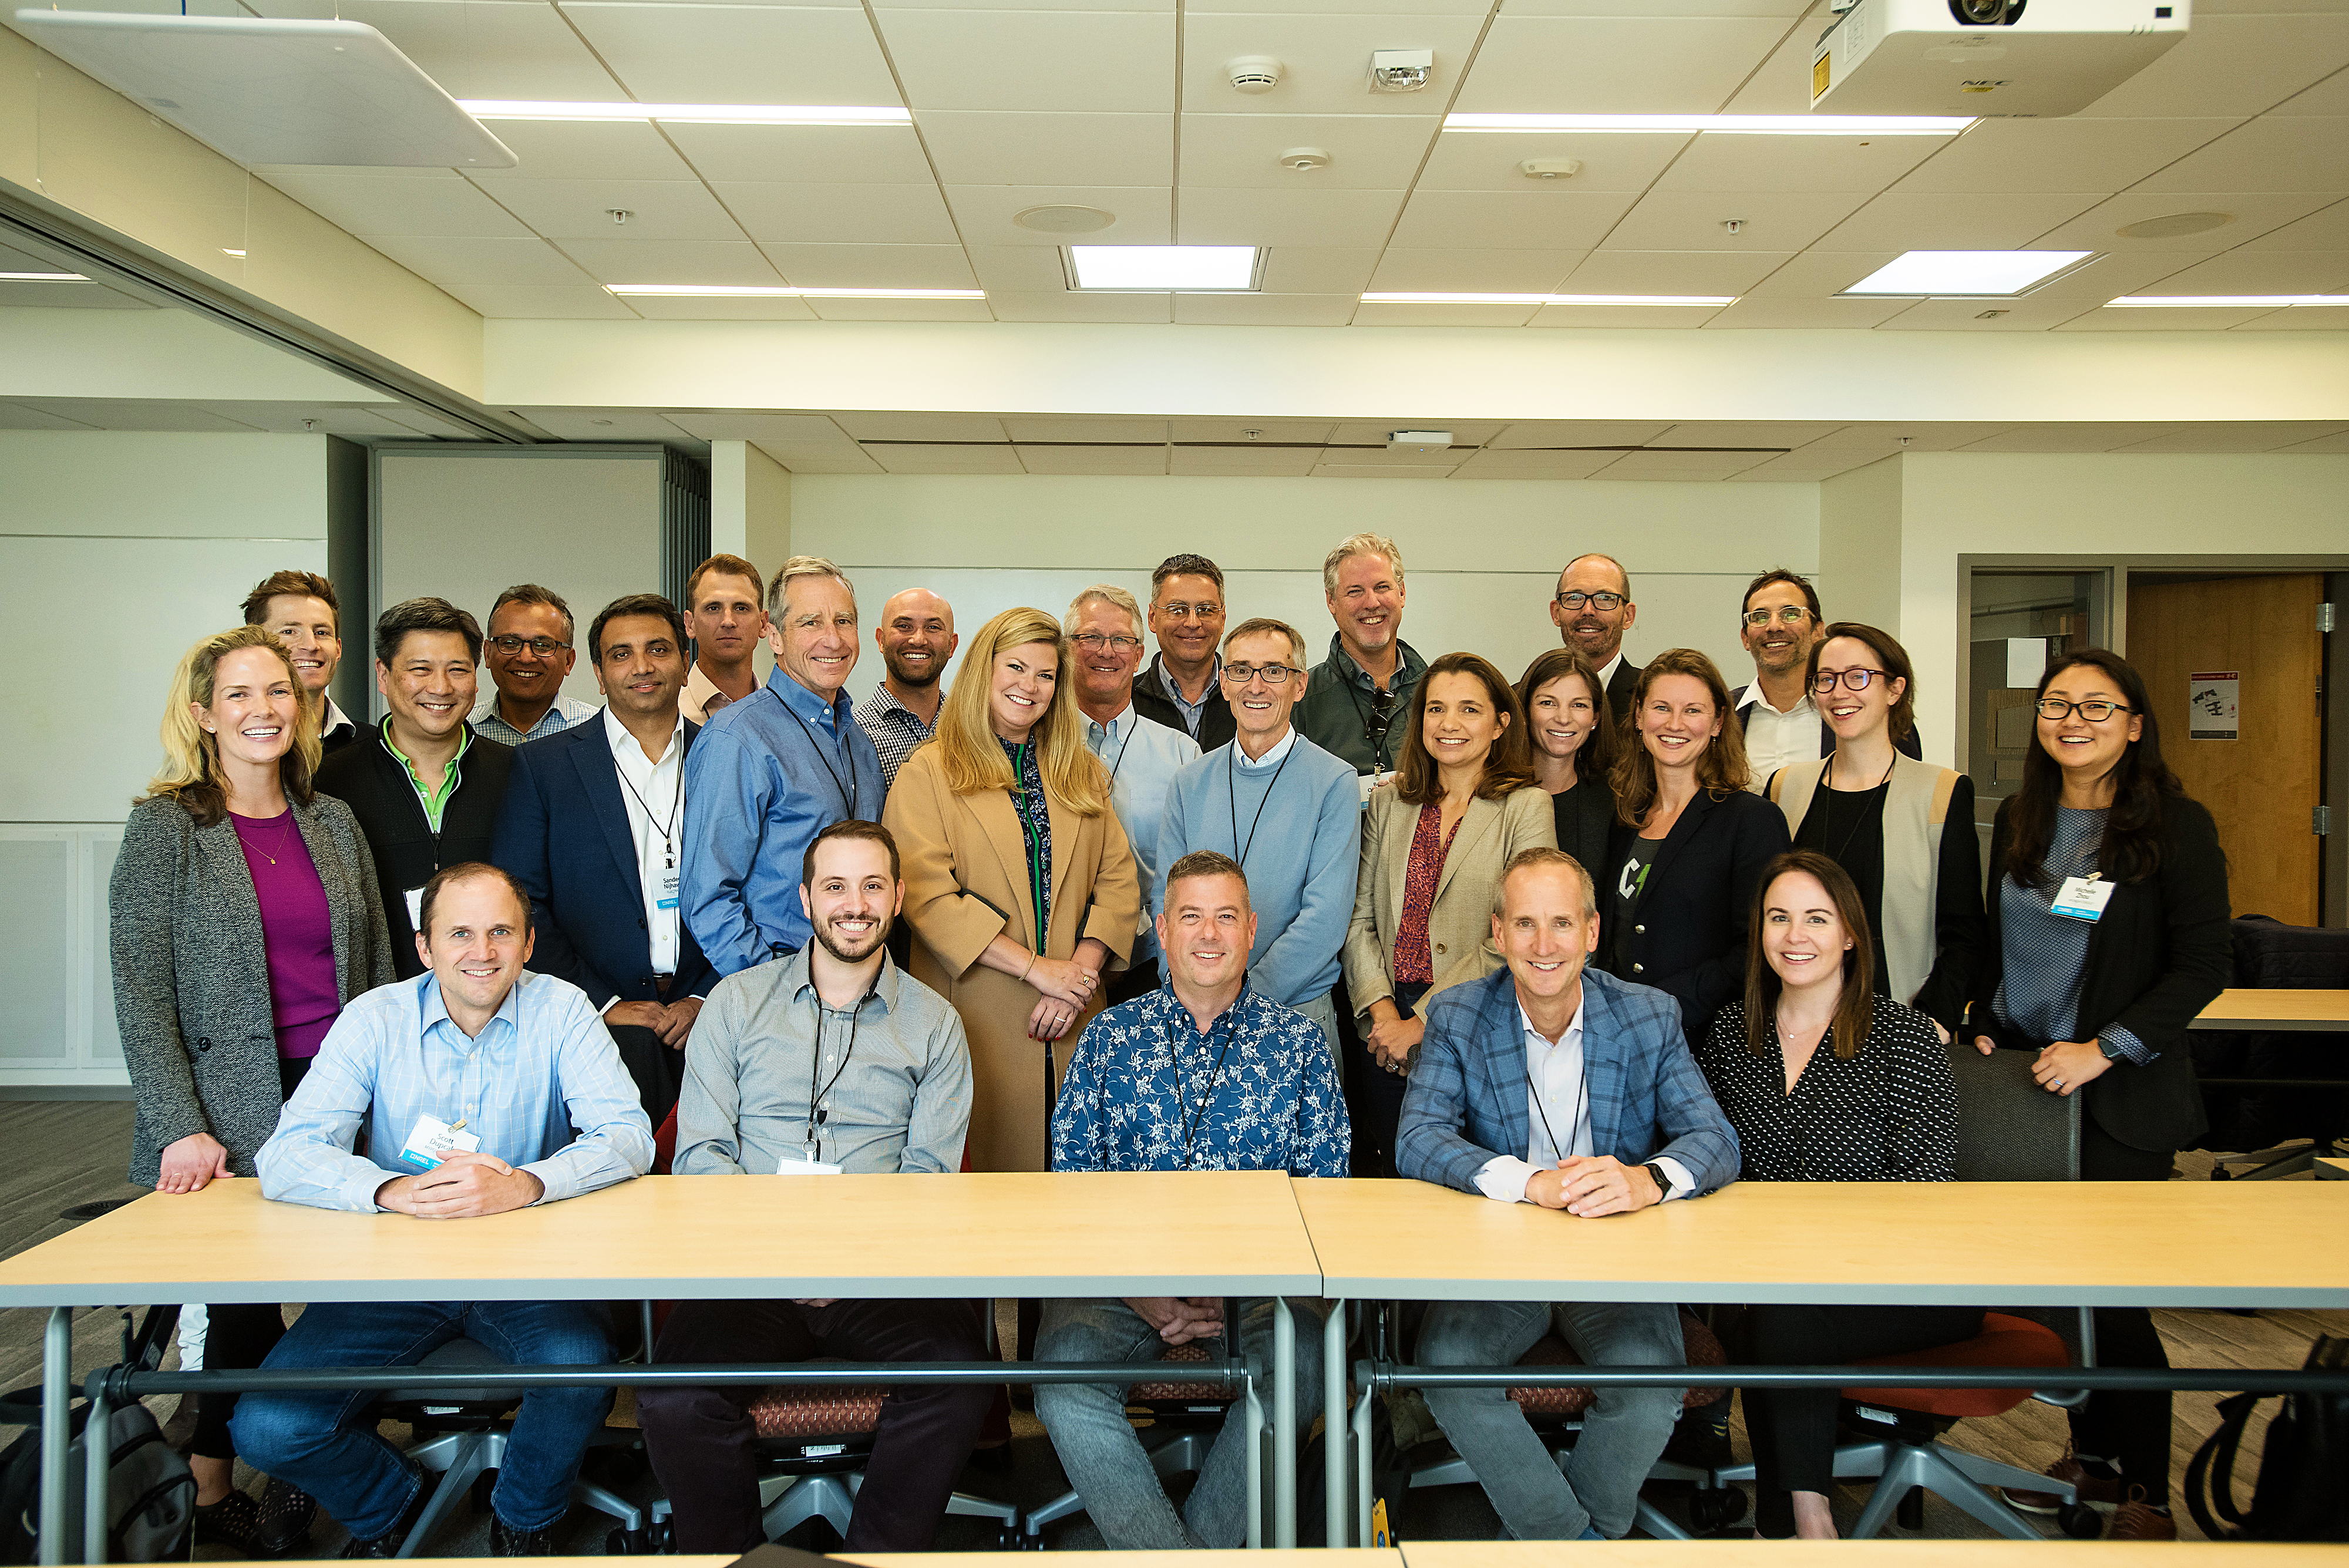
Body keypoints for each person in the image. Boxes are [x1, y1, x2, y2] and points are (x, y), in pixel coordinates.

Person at [233, 863, 654, 1558]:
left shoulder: (563, 1009)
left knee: (579, 1369)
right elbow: (286, 1155)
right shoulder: (375, 1018)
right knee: (268, 1427)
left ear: (528, 943)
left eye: (500, 932)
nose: (481, 952)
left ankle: (524, 1517)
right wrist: (387, 1190)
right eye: (459, 933)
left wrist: (528, 1184)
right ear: (425, 947)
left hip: (529, 1269)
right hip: (396, 1268)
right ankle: (394, 1500)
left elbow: (627, 1137)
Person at [109, 624, 396, 1554]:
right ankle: (212, 1487)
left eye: (278, 691)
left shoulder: (331, 819)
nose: (264, 710)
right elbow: (141, 989)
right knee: (239, 1308)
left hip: (337, 1089)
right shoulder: (168, 828)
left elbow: (377, 969)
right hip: (226, 1103)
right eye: (239, 694)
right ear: (202, 713)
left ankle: (315, 1467)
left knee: (349, 1295)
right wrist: (178, 1124)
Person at [640, 820, 988, 1553]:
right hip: (750, 1273)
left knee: (958, 1384)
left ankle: (873, 1559)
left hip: (881, 1277)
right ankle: (736, 1562)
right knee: (674, 1396)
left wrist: (850, 1261)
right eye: (835, 887)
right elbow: (700, 1158)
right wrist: (780, 1256)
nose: (853, 905)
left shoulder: (936, 1024)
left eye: (871, 886)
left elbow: (929, 1181)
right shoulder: (735, 1004)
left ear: (897, 897)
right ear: (805, 899)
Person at [1398, 848, 1739, 1543]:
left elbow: (1715, 1139)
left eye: (1561, 924)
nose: (1544, 945)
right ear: (1498, 933)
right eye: (1525, 924)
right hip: (1498, 1264)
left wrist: (1646, 1181)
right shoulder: (1459, 1014)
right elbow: (1417, 1137)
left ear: (1591, 930)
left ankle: (1548, 1543)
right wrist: (1530, 1183)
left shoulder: (1647, 1016)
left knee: (1649, 1386)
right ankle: (1578, 1546)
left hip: (1612, 1260)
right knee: (1448, 1366)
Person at [1969, 650, 2231, 1544]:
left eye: (2095, 706)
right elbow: (2000, 944)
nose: (2072, 720)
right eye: (2056, 704)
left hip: (2120, 1094)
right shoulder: (2022, 816)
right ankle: (2090, 1456)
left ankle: (2146, 1490)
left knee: (2113, 1298)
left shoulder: (2175, 825)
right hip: (2027, 1084)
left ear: (2134, 724)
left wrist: (2105, 1049)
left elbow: (2204, 964)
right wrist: (1980, 1019)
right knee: (2053, 1288)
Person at [1038, 851, 1349, 1548]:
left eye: (1226, 917)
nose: (1209, 935)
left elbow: (1325, 1198)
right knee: (1062, 1382)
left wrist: (1238, 1281)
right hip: (1121, 1283)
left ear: (1251, 929)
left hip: (1261, 1286)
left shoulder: (1300, 1045)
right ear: (1162, 930)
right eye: (1190, 917)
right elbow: (1072, 1186)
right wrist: (1139, 1285)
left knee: (1304, 1367)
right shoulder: (1109, 1038)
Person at [1697, 850, 1966, 1540]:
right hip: (1767, 1282)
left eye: (1816, 919)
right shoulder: (1731, 1034)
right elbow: (1700, 1154)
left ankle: (1799, 1520)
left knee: (1778, 1317)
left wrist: (1822, 1261)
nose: (1795, 936)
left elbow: (1926, 1186)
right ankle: (1799, 1520)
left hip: (1905, 1285)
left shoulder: (1903, 1038)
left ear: (1850, 933)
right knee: (1776, 1311)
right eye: (1778, 917)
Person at [881, 606, 1141, 1173]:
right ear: (985, 670)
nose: (1031, 686)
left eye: (1046, 675)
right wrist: (1037, 970)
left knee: (1077, 1179)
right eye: (1017, 668)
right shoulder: (930, 771)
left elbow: (1120, 885)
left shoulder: (1081, 771)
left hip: (1075, 1013)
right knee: (987, 1187)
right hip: (977, 1013)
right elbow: (927, 897)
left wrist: (1077, 978)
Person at [491, 593, 719, 1123]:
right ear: (597, 673)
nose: (642, 667)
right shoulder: (544, 767)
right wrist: (604, 1003)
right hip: (594, 1026)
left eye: (658, 649)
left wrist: (707, 998)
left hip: (712, 1021)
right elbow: (521, 903)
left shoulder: (728, 754)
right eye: (621, 654)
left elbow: (754, 889)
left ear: (685, 662)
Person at [1344, 652, 1555, 1174]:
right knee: (1396, 1178)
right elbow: (1360, 919)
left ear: (1500, 724)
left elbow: (1523, 930)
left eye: (1469, 710)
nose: (1449, 724)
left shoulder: (1527, 807)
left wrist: (1422, 1021)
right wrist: (1384, 1013)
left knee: (1477, 1181)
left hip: (1480, 1023)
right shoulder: (1389, 803)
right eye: (1436, 709)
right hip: (1384, 1031)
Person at [1766, 624, 1983, 1036]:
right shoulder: (1785, 787)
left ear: (1895, 689)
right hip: (1794, 1020)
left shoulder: (1942, 792)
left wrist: (1934, 1018)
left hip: (1899, 1023)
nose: (1839, 692)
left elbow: (1965, 934)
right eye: (1826, 679)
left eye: (1858, 677)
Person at [1160, 617, 1358, 1062]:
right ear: (1224, 683)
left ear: (1300, 685)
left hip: (1296, 1015)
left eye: (1274, 670)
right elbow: (1165, 903)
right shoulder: (1188, 782)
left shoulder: (1334, 782)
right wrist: (1190, 995)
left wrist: (1237, 1001)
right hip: (1191, 1014)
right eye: (1241, 670)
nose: (1256, 685)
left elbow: (1324, 921)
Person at [681, 555, 885, 976]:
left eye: (844, 621)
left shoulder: (860, 742)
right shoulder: (737, 738)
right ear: (774, 636)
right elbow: (707, 897)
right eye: (811, 623)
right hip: (780, 986)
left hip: (862, 981)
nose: (833, 640)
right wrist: (772, 989)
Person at [315, 597, 517, 980]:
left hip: (496, 992)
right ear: (383, 675)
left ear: (476, 679)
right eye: (420, 669)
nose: (440, 687)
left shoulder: (519, 775)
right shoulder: (328, 782)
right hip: (376, 998)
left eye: (457, 670)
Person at [1600, 648, 1791, 1048]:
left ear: (1718, 722)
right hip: (1618, 1036)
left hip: (1707, 1042)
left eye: (1693, 711)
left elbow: (1758, 948)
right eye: (1661, 708)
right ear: (1639, 717)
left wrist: (1661, 1007)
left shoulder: (1752, 820)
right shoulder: (1624, 818)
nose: (1675, 724)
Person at [1066, 585, 1200, 1004]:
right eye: (1091, 637)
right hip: (1055, 963)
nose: (1106, 651)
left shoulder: (1182, 755)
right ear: (1068, 649)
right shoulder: (1034, 748)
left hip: (1152, 965)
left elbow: (1193, 871)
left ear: (1139, 654)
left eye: (1121, 640)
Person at [1732, 570, 1918, 778]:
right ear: (1745, 638)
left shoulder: (1875, 718)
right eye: (1760, 617)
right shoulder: (1720, 715)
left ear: (1818, 631)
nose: (1774, 626)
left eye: (1791, 614)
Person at [1292, 532, 1427, 784]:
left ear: (1402, 593)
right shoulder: (1300, 700)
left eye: (1382, 587)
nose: (1372, 603)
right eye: (1355, 591)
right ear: (1331, 602)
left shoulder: (1436, 693)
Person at [1516, 647, 1617, 874]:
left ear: (1595, 717)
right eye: (1548, 703)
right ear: (1525, 710)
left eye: (1579, 705)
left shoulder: (1615, 799)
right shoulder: (1492, 794)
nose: (1563, 718)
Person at [243, 568, 359, 753]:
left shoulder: (373, 748)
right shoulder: (228, 750)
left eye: (321, 632)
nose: (311, 645)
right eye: (289, 632)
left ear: (338, 649)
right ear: (255, 645)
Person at [856, 587, 959, 792]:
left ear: (952, 645)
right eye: (904, 626)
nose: (918, 640)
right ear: (881, 640)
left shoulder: (973, 728)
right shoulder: (854, 735)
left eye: (933, 628)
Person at [470, 584, 600, 746]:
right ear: (488, 654)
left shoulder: (599, 731)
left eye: (543, 645)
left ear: (569, 661)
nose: (525, 658)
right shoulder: (460, 729)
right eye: (510, 643)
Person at [1132, 553, 1236, 751]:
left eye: (1206, 610)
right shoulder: (1125, 703)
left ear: (1222, 619)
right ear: (1152, 618)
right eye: (1177, 610)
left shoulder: (1247, 698)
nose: (1193, 623)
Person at [1550, 553, 1641, 722]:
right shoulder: (1520, 700)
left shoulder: (1650, 698)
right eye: (1574, 598)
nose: (1588, 610)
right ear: (1556, 613)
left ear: (1628, 616)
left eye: (1605, 598)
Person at [679, 553, 767, 724]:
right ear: (690, 624)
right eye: (713, 608)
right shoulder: (669, 714)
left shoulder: (784, 716)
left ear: (763, 624)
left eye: (741, 608)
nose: (728, 622)